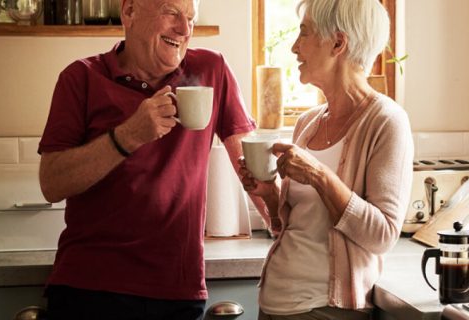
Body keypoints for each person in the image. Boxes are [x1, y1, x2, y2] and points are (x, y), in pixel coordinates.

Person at [37, 0, 269, 319]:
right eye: (171, 12)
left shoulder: (211, 70)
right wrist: (128, 135)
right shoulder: (80, 77)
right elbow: (51, 183)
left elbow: (252, 167)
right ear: (129, 11)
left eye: (190, 18)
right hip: (89, 287)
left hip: (177, 290)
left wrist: (285, 229)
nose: (185, 29)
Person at [239, 0, 414, 319]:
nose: (294, 46)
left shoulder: (386, 121)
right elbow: (295, 227)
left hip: (326, 309)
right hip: (275, 304)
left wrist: (319, 176)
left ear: (338, 42)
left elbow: (383, 234)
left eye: (303, 33)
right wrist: (269, 193)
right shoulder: (307, 123)